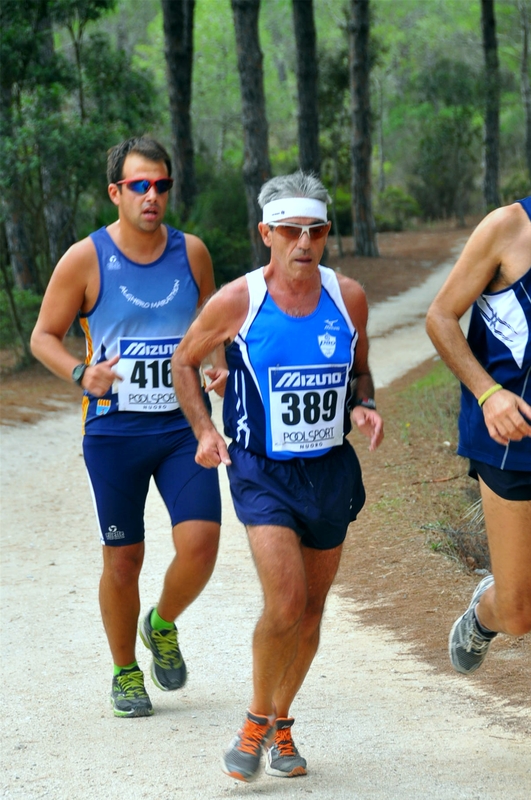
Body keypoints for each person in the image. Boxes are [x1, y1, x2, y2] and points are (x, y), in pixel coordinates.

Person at [172, 171, 384, 782]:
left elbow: (360, 370)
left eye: (315, 230)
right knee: (286, 600)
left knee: (313, 610)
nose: (304, 242)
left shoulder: (349, 297)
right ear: (266, 233)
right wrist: (205, 432)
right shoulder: (239, 300)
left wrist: (364, 403)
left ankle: (281, 721)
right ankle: (253, 720)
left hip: (329, 471)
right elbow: (185, 362)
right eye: (290, 230)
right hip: (261, 471)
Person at [31, 136, 227, 717]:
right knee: (123, 558)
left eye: (161, 185)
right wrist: (79, 373)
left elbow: (212, 326)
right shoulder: (85, 258)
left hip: (181, 426)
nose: (152, 196)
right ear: (115, 191)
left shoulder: (192, 253)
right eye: (139, 185)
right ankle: (124, 671)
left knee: (202, 543)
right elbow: (43, 336)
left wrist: (216, 366)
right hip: (114, 432)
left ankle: (160, 623)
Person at [426, 196, 531, 676]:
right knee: (518, 612)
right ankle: (485, 616)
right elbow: (440, 316)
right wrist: (489, 394)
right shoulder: (509, 227)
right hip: (511, 439)